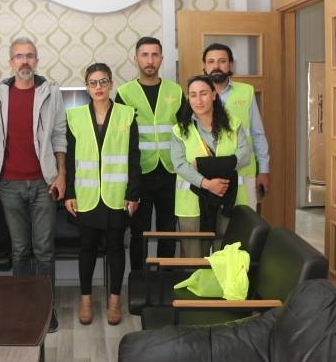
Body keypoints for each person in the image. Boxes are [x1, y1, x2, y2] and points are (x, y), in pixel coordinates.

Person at [0, 37, 66, 333]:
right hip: (9, 184)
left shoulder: (51, 92)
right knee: (19, 250)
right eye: (19, 56)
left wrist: (61, 175)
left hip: (44, 183)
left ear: (37, 61)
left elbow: (59, 135)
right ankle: (21, 307)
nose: (25, 61)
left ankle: (46, 309)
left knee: (44, 250)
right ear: (11, 62)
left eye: (30, 56)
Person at [65, 63, 141, 326]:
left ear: (111, 84)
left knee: (116, 248)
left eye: (103, 81)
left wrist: (133, 193)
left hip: (117, 196)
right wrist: (70, 193)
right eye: (92, 82)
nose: (98, 87)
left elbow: (134, 156)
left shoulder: (126, 114)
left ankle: (115, 301)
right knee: (86, 249)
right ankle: (85, 300)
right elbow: (70, 159)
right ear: (86, 87)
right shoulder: (74, 116)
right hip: (86, 196)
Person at [116, 36, 184, 268]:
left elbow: (187, 132)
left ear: (161, 59)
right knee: (139, 232)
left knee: (168, 231)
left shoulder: (176, 91)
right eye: (144, 55)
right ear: (135, 59)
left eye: (155, 55)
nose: (150, 60)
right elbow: (120, 138)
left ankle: (165, 280)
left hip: (170, 172)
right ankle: (139, 280)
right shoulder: (124, 93)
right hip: (139, 174)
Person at [170, 75, 251, 258]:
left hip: (229, 201)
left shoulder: (233, 124)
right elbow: (180, 165)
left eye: (204, 93)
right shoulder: (180, 130)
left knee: (226, 259)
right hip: (192, 205)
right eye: (193, 95)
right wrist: (207, 184)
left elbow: (245, 155)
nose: (198, 100)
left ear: (214, 95)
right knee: (193, 260)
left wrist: (204, 165)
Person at [202, 42, 271, 210]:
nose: (216, 66)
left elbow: (257, 133)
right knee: (212, 224)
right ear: (204, 66)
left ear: (231, 65)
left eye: (222, 61)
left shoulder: (246, 92)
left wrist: (264, 170)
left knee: (244, 222)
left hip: (243, 173)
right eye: (211, 61)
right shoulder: (196, 94)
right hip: (209, 177)